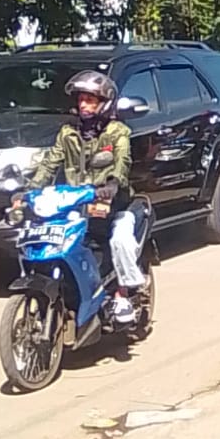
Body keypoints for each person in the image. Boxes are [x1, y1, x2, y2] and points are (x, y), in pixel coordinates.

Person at [25, 71, 146, 324]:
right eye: (81, 100)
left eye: (90, 100)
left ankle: (123, 294)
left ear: (105, 103)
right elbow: (49, 165)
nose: (83, 105)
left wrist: (112, 184)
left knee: (120, 241)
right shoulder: (67, 133)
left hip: (115, 205)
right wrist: (29, 191)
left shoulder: (117, 132)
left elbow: (122, 162)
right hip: (76, 204)